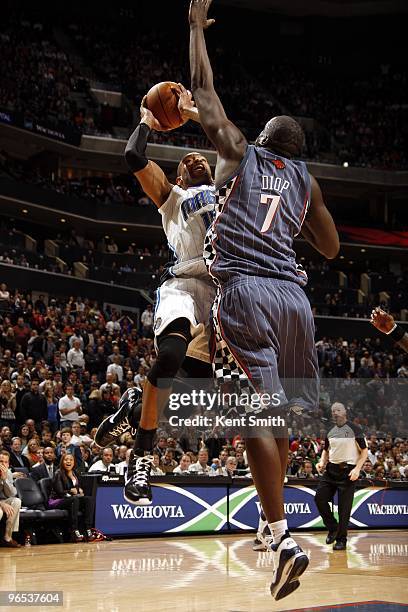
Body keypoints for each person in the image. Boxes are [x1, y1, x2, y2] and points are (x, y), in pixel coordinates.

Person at [188, 0, 339, 601]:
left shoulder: (240, 152)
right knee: (277, 418)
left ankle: (280, 536)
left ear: (265, 142)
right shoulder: (307, 181)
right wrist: (299, 212)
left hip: (247, 289)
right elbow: (328, 248)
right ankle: (275, 529)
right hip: (296, 302)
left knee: (254, 411)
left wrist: (196, 30)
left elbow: (204, 95)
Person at [95, 85, 217, 505]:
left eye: (200, 156)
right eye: (186, 160)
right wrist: (149, 119)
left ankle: (134, 408)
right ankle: (140, 461)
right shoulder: (172, 197)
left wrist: (202, 114)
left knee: (196, 397)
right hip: (183, 285)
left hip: (221, 297)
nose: (195, 158)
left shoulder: (227, 192)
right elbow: (134, 158)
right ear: (180, 176)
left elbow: (243, 149)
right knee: (168, 359)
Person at [315, 403, 368, 551]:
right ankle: (333, 528)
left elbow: (364, 452)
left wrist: (357, 469)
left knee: (344, 509)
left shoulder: (355, 429)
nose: (335, 413)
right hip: (331, 469)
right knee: (319, 498)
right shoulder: (330, 431)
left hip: (348, 471)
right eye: (333, 411)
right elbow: (326, 450)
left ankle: (341, 539)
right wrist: (321, 461)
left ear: (345, 412)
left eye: (338, 410)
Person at [49, 453, 96, 542]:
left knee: (89, 499)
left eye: (71, 460)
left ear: (74, 462)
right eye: (66, 459)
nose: (68, 462)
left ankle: (87, 529)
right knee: (74, 500)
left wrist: (79, 490)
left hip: (72, 499)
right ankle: (74, 530)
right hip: (57, 500)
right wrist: (71, 491)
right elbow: (60, 492)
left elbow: (77, 488)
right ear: (62, 462)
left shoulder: (75, 473)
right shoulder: (58, 473)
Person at [0, 450, 22, 547]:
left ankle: (8, 537)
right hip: (0, 503)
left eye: (5, 462)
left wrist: (5, 480)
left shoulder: (8, 472)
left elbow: (12, 493)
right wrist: (1, 503)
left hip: (3, 500)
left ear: (8, 464)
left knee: (16, 501)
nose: (3, 464)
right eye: (1, 461)